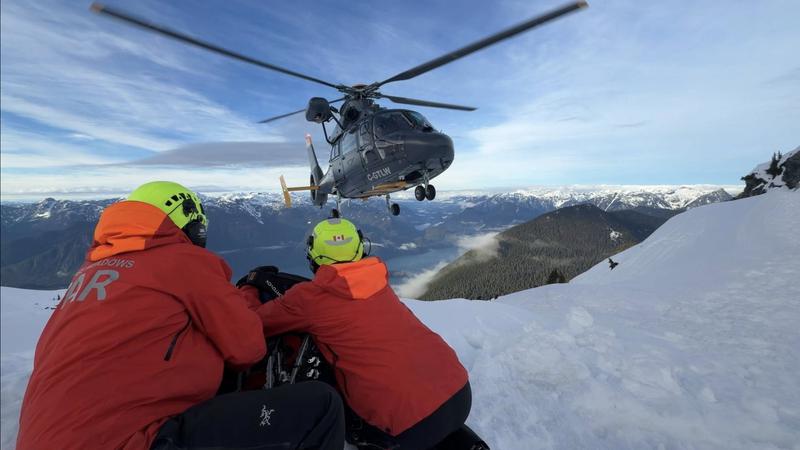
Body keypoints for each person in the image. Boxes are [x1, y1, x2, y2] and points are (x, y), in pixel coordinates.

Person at [17, 181, 345, 450]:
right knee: (322, 407)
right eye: (199, 228)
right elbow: (248, 349)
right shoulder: (182, 261)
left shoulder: (89, 273)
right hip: (135, 440)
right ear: (185, 221)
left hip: (44, 437)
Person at [242, 217, 472, 449]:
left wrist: (250, 286)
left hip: (409, 426)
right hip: (461, 393)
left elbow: (253, 324)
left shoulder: (309, 298)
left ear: (313, 253)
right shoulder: (378, 282)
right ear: (360, 247)